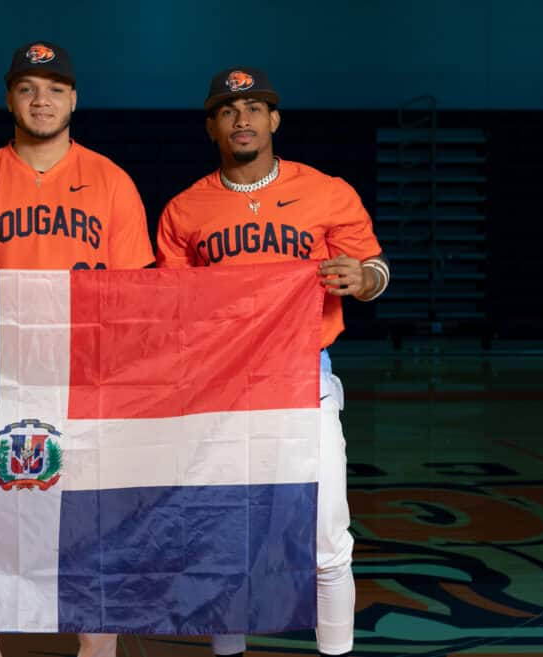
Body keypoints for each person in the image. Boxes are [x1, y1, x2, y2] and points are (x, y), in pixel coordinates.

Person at [0, 41, 154, 657]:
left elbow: (135, 296)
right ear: (9, 98)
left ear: (74, 98)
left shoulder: (111, 181)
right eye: (28, 88)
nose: (41, 100)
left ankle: (97, 647)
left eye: (54, 89)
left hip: (86, 375)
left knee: (91, 521)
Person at [155, 67, 389, 657]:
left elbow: (376, 270)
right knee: (226, 543)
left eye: (255, 109)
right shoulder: (186, 210)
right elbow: (169, 308)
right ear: (212, 125)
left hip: (304, 378)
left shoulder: (327, 191)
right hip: (221, 388)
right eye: (230, 111)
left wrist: (361, 278)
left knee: (326, 536)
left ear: (274, 120)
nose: (243, 120)